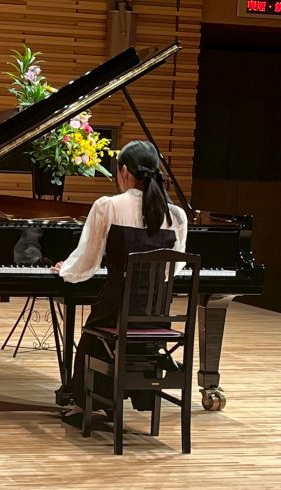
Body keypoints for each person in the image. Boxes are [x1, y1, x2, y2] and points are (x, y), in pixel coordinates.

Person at [50, 140, 188, 427]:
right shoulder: (176, 215)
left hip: (115, 310)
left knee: (93, 334)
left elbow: (88, 259)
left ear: (124, 171)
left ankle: (84, 404)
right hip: (154, 317)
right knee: (118, 328)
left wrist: (66, 271)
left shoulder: (108, 206)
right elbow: (172, 267)